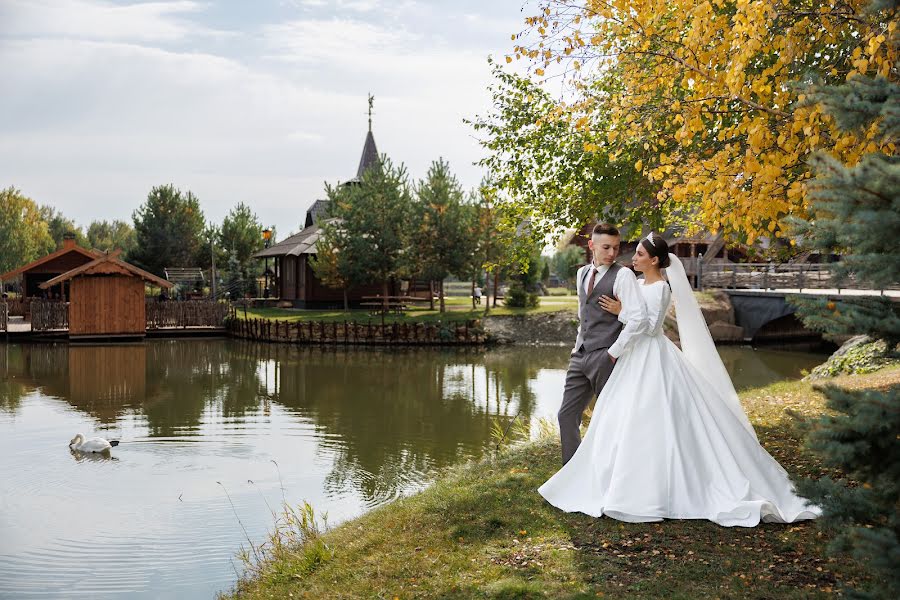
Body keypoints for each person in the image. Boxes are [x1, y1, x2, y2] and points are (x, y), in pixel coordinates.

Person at [539, 233, 821, 527]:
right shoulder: (634, 283)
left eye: (639, 255)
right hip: (631, 357)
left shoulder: (661, 288)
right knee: (621, 416)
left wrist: (622, 313)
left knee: (654, 415)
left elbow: (648, 326)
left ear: (655, 260)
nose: (632, 258)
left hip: (650, 354)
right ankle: (609, 473)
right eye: (632, 253)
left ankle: (654, 486)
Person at [557, 223, 648, 465]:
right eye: (606, 247)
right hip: (581, 355)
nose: (612, 253)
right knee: (566, 415)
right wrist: (578, 346)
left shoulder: (624, 275)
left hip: (606, 358)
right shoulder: (582, 274)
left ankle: (613, 475)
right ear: (591, 246)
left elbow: (638, 319)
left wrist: (613, 353)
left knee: (611, 420)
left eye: (616, 248)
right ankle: (572, 472)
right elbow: (583, 313)